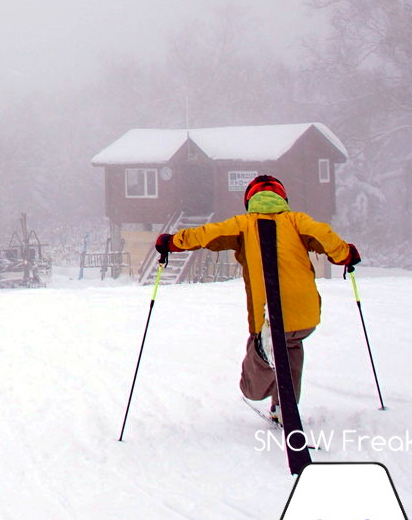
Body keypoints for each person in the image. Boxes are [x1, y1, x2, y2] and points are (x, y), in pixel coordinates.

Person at [154, 175, 359, 421]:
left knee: (251, 386)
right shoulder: (297, 221)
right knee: (291, 348)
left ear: (249, 200)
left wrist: (172, 243)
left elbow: (206, 234)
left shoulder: (243, 224)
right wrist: (344, 254)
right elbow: (324, 234)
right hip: (304, 314)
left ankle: (264, 354)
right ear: (283, 198)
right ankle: (285, 407)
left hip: (269, 315)